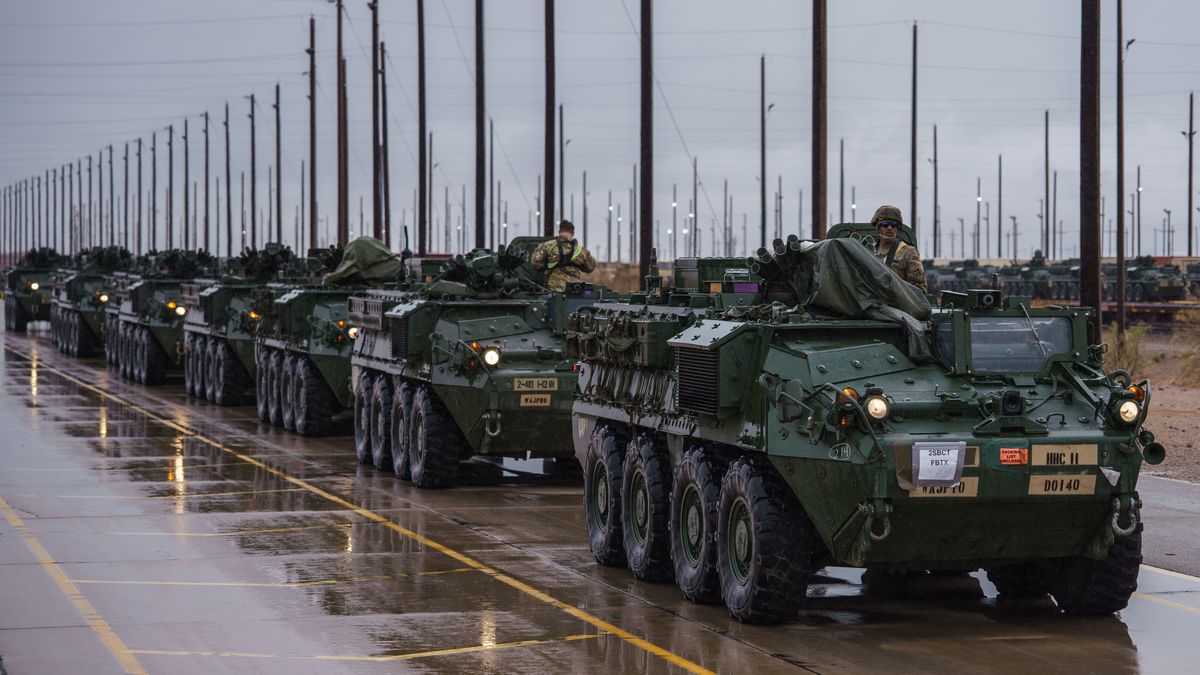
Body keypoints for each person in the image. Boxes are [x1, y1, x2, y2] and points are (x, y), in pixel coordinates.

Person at [870, 205, 926, 291]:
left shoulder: (908, 252)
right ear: (878, 227)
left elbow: (919, 289)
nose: (889, 228)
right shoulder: (870, 251)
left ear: (897, 228)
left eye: (893, 225)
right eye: (885, 225)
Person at [530, 220, 596, 292]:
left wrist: (547, 264)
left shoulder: (547, 246)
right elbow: (591, 267)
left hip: (553, 290)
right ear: (572, 233)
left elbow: (535, 264)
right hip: (574, 290)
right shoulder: (581, 250)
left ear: (559, 232)